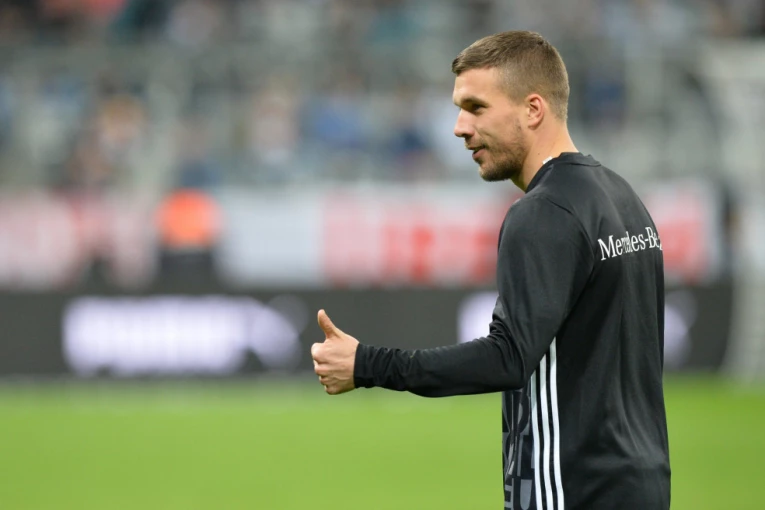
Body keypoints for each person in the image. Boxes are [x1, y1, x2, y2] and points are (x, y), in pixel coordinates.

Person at [311, 30, 671, 510]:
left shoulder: (543, 213)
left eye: (476, 108)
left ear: (533, 109)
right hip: (642, 484)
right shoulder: (624, 199)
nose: (459, 127)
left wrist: (367, 364)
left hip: (570, 490)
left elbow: (508, 357)